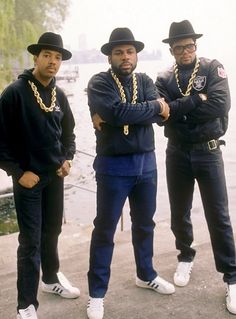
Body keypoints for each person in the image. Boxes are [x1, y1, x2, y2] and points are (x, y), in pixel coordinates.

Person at [86, 27, 174, 319]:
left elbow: (161, 117)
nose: (125, 57)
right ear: (110, 56)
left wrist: (143, 110)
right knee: (105, 230)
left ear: (136, 54)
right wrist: (151, 108)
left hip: (146, 164)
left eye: (130, 51)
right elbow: (116, 113)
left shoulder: (146, 81)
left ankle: (146, 274)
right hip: (113, 167)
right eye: (119, 52)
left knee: (145, 224)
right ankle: (97, 294)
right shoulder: (99, 82)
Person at [155, 19, 236, 314]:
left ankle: (232, 278)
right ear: (172, 50)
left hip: (209, 151)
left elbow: (221, 105)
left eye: (189, 46)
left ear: (195, 45)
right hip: (177, 153)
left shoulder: (212, 68)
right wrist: (196, 101)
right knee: (179, 211)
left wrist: (181, 110)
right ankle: (185, 256)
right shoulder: (164, 78)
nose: (185, 51)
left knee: (219, 216)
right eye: (179, 47)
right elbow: (161, 114)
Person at [0, 32, 80, 319]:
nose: (53, 61)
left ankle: (51, 279)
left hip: (54, 178)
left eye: (58, 57)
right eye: (47, 55)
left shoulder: (59, 95)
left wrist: (67, 159)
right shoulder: (14, 93)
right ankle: (26, 305)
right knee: (30, 240)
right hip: (28, 181)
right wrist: (18, 173)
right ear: (36, 57)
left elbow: (69, 133)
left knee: (52, 232)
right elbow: (1, 142)